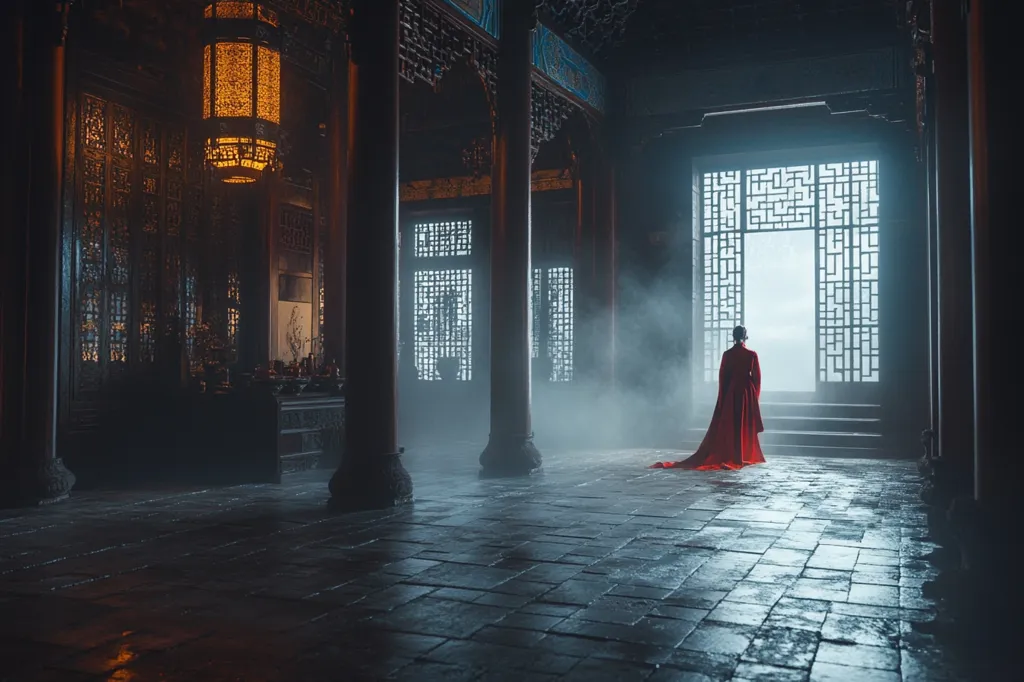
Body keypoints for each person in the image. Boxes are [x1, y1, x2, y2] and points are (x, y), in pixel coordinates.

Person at [652, 325, 765, 470]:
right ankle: (743, 455)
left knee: (732, 424)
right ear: (745, 336)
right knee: (743, 424)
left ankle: (734, 454)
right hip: (746, 392)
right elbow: (757, 379)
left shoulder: (727, 354)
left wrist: (722, 397)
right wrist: (755, 397)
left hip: (732, 392)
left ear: (733, 336)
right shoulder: (752, 354)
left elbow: (723, 377)